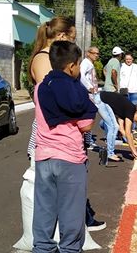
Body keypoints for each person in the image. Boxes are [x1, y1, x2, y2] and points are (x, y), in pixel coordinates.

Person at [26, 17, 104, 230]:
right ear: (61, 36)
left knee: (67, 186)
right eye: (71, 38)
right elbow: (56, 98)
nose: (73, 44)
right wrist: (85, 108)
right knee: (57, 188)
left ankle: (73, 224)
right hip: (57, 132)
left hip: (63, 129)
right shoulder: (45, 60)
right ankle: (63, 235)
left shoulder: (46, 59)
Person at [31, 41, 97, 253]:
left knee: (44, 207)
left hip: (44, 156)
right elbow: (86, 124)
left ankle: (41, 249)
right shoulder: (75, 90)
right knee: (71, 207)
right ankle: (69, 251)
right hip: (70, 157)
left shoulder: (40, 88)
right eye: (78, 65)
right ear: (71, 66)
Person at [99, 90, 137, 161]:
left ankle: (110, 153)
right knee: (113, 127)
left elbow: (122, 129)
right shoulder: (131, 110)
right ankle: (110, 154)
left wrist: (129, 141)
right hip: (101, 99)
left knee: (115, 127)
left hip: (101, 98)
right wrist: (133, 150)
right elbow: (128, 132)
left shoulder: (128, 109)